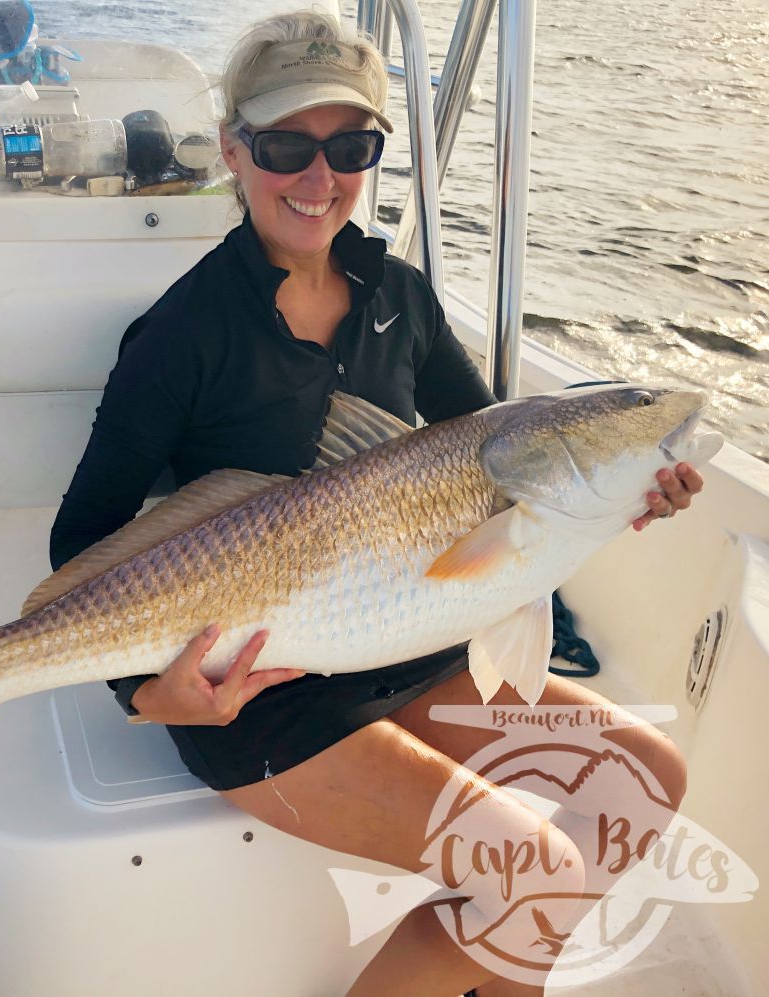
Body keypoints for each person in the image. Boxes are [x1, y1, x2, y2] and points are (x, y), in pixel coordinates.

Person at [50, 11, 700, 995]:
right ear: (234, 149)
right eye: (285, 146)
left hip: (412, 640)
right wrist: (148, 694)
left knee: (646, 778)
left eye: (350, 146)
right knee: (541, 870)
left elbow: (494, 460)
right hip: (262, 693)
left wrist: (621, 495)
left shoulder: (402, 296)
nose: (319, 178)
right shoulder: (181, 337)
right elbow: (81, 538)